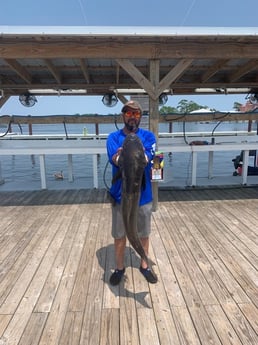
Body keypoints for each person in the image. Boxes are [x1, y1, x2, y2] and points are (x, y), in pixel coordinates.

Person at [106, 100, 158, 285]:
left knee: (143, 233)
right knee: (120, 234)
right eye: (128, 113)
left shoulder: (149, 136)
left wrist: (140, 156)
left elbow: (149, 155)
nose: (132, 117)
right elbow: (114, 158)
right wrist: (121, 157)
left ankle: (144, 264)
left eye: (136, 114)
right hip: (120, 196)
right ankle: (120, 268)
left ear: (141, 117)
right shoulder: (113, 137)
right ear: (123, 116)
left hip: (142, 196)